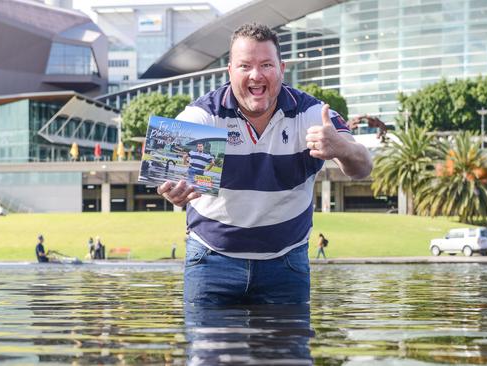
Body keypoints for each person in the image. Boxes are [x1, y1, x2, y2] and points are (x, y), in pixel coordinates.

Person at [156, 23, 372, 305]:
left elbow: (363, 167)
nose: (256, 75)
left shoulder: (310, 114)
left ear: (282, 69)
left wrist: (341, 148)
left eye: (266, 65)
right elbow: (167, 180)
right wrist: (173, 192)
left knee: (287, 350)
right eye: (245, 66)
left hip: (287, 264)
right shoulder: (203, 116)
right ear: (230, 71)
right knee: (206, 350)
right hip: (211, 262)